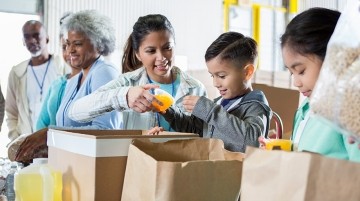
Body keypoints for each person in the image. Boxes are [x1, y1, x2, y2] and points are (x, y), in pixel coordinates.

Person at [67, 14, 207, 131]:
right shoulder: (127, 83)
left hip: (183, 163)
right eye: (151, 51)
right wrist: (125, 96)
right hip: (140, 162)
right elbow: (75, 112)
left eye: (167, 48)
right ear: (138, 54)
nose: (161, 57)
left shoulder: (195, 88)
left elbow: (204, 137)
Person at [260, 8, 360, 162]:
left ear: (331, 59)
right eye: (291, 73)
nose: (296, 82)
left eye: (301, 71)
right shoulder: (306, 109)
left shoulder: (347, 113)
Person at [150, 31, 272, 153]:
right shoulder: (219, 103)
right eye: (212, 76)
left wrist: (209, 111)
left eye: (222, 76)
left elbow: (252, 140)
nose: (215, 83)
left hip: (237, 170)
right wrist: (169, 112)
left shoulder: (256, 106)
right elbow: (193, 128)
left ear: (247, 72)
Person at [5, 20, 66, 141]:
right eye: (27, 37)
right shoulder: (17, 73)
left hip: (57, 142)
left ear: (47, 38)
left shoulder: (63, 67)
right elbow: (11, 112)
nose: (32, 40)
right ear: (23, 41)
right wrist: (16, 138)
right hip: (28, 144)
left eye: (36, 35)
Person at [35, 12, 81, 131]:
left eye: (76, 45)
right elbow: (41, 124)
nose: (69, 52)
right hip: (51, 148)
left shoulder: (92, 80)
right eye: (64, 47)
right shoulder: (57, 84)